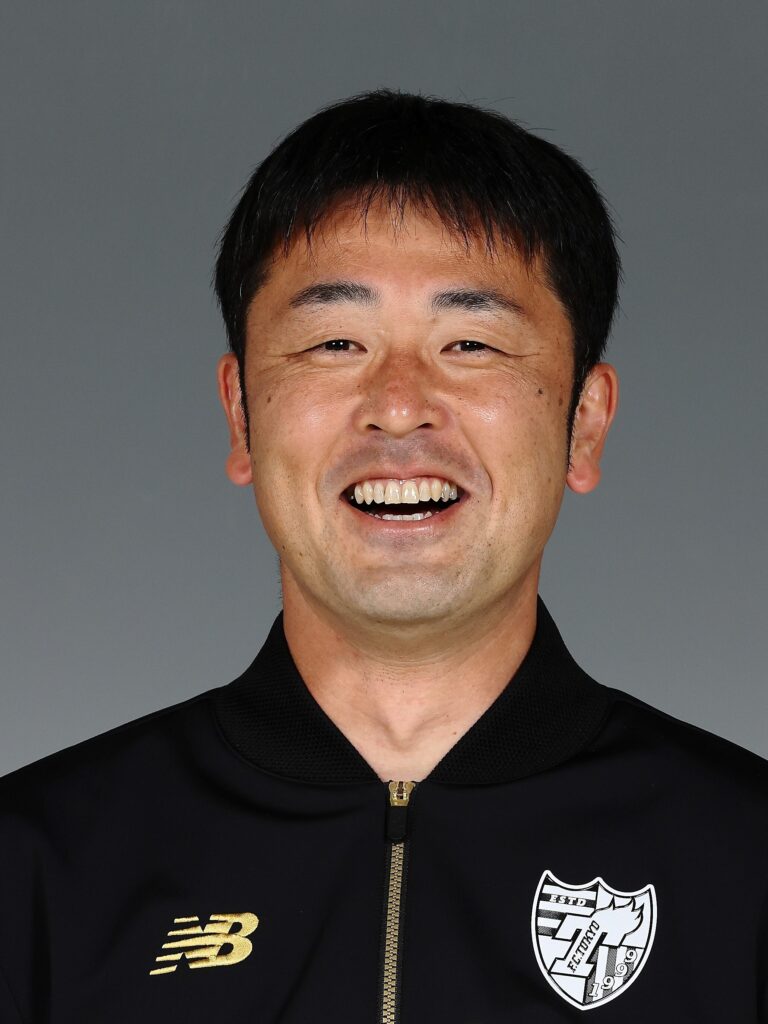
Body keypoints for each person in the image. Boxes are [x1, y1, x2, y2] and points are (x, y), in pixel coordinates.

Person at [1, 89, 766, 1024]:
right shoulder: (37, 869)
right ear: (240, 415)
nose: (399, 406)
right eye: (335, 342)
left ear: (585, 424)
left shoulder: (744, 862)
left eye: (471, 343)